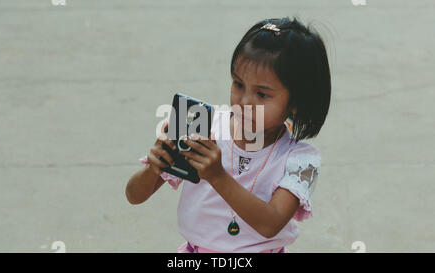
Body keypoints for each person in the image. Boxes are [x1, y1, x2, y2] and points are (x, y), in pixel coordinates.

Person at [126, 17, 331, 253]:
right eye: (238, 84)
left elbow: (271, 223)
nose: (244, 102)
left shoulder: (300, 160)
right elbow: (134, 196)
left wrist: (217, 176)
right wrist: (154, 168)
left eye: (262, 95)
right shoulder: (206, 128)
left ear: (295, 101)